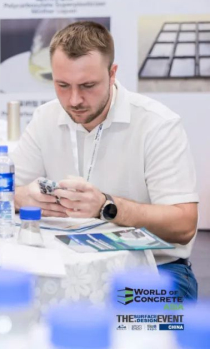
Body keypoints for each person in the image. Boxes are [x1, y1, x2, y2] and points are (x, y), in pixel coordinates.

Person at [13, 21, 199, 300]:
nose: (74, 100)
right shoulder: (45, 119)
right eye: (62, 85)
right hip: (61, 264)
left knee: (137, 323)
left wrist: (106, 206)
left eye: (88, 85)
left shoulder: (157, 124)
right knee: (9, 311)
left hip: (153, 269)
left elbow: (184, 225)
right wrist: (21, 198)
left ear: (112, 74)